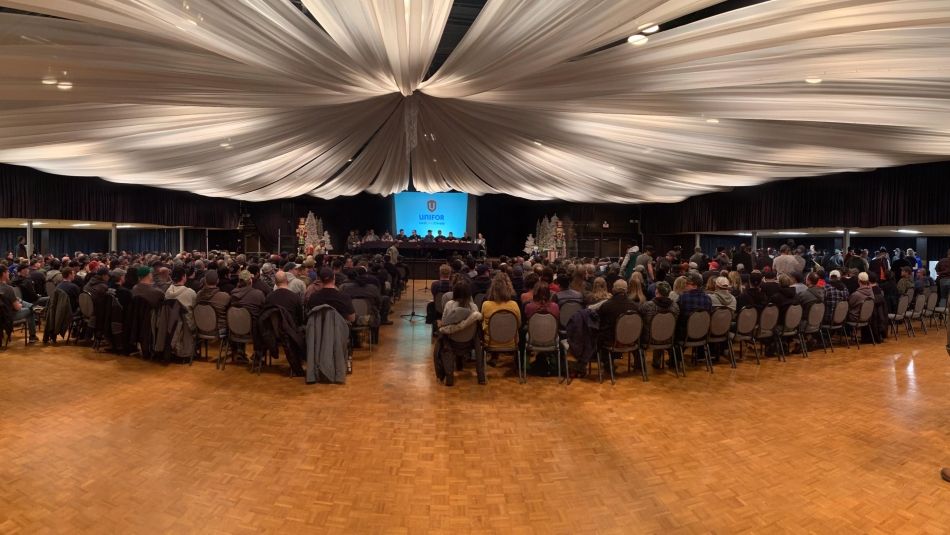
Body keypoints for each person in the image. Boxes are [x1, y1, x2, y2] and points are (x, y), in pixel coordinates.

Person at [640, 281, 679, 368]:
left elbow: (639, 316)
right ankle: (656, 362)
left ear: (656, 291)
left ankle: (639, 365)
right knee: (662, 330)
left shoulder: (648, 305)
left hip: (649, 339)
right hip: (669, 339)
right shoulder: (675, 306)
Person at [0, 266, 37, 343]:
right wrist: (19, 304)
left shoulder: (7, 288)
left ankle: (32, 306)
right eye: (7, 272)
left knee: (22, 302)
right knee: (30, 311)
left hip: (2, 314)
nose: (9, 273)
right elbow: (17, 308)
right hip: (7, 317)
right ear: (3, 274)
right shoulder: (8, 289)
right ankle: (32, 336)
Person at [598, 279, 638, 348]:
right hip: (630, 338)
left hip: (611, 340)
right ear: (626, 290)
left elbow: (600, 322)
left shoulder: (606, 305)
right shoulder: (635, 306)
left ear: (613, 289)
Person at [196, 270, 230, 336]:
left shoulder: (198, 295)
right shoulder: (225, 296)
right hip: (219, 330)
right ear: (218, 281)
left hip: (201, 328)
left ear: (205, 281)